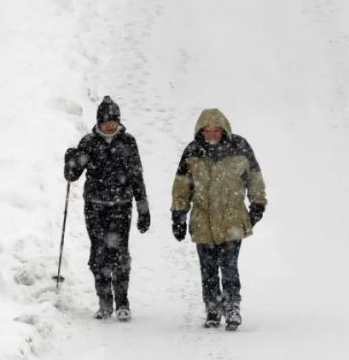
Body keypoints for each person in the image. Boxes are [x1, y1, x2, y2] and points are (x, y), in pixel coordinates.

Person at [171, 108, 267, 331]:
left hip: (232, 218)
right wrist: (178, 215)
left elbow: (255, 179)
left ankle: (232, 306)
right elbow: (181, 187)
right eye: (208, 130)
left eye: (216, 130)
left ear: (224, 130)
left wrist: (257, 206)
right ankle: (213, 308)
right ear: (201, 131)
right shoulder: (193, 152)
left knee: (229, 265)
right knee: (208, 268)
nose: (212, 134)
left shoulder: (240, 148)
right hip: (203, 219)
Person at [64, 96, 150, 320]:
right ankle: (104, 302)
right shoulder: (89, 143)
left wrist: (143, 209)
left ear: (119, 121)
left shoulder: (128, 142)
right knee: (99, 253)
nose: (109, 126)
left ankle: (122, 302)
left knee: (120, 253)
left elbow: (136, 177)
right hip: (95, 206)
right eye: (105, 122)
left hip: (121, 205)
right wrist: (70, 162)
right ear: (98, 122)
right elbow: (72, 176)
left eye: (113, 121)